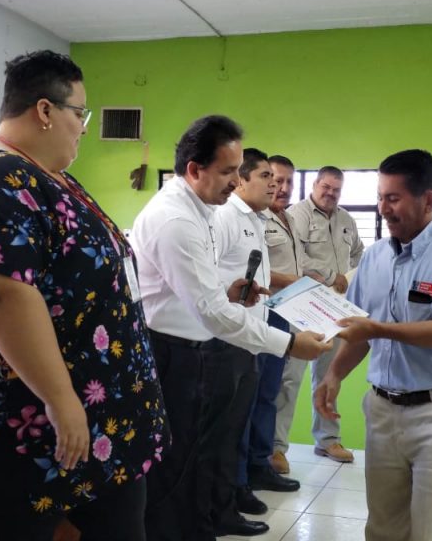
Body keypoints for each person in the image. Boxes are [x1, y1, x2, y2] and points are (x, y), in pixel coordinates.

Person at [0, 51, 167, 541]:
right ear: (45, 110)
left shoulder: (44, 175)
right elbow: (0, 296)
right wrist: (61, 399)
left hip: (92, 423)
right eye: (80, 114)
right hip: (28, 432)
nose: (83, 128)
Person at [132, 115, 330, 541]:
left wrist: (227, 288)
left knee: (197, 460)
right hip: (171, 353)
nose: (235, 182)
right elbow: (212, 313)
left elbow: (197, 290)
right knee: (175, 469)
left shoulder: (199, 209)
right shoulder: (176, 220)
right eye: (228, 172)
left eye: (239, 171)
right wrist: (289, 343)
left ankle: (198, 526)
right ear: (194, 169)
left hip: (195, 347)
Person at [314, 149, 432, 541]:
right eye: (380, 197)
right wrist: (334, 375)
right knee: (383, 527)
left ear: (429, 200)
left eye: (393, 198)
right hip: (382, 410)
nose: (383, 209)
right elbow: (358, 329)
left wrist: (379, 329)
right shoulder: (374, 258)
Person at [211, 148, 299, 528]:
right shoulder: (225, 217)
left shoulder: (256, 219)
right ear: (241, 180)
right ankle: (227, 499)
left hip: (252, 336)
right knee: (228, 427)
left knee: (248, 413)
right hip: (229, 339)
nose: (275, 185)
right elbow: (208, 279)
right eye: (266, 177)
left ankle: (240, 486)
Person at [287, 165, 364, 464]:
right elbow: (296, 257)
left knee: (331, 374)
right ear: (315, 185)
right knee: (290, 378)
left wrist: (352, 277)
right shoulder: (297, 215)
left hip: (335, 309)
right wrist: (333, 276)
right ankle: (276, 447)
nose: (330, 193)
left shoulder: (346, 220)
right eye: (326, 187)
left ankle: (328, 441)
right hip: (301, 305)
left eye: (336, 189)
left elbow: (359, 253)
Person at [267, 155, 322, 474]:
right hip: (268, 313)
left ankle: (278, 448)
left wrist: (313, 279)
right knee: (266, 388)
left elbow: (298, 264)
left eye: (289, 181)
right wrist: (294, 280)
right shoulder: (256, 219)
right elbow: (250, 270)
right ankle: (263, 453)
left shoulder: (290, 219)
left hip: (298, 312)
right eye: (277, 180)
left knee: (290, 383)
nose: (284, 187)